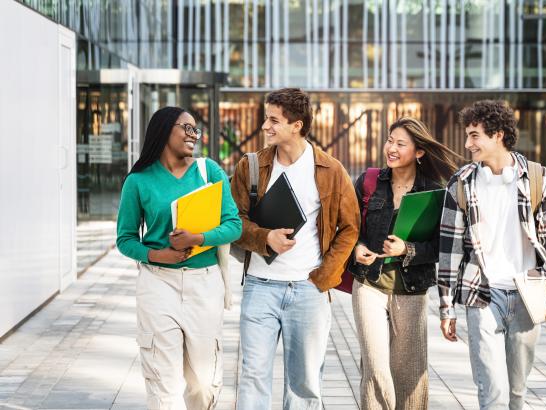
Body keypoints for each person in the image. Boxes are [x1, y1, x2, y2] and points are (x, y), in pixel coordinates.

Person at [438, 100, 546, 410]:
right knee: (492, 392)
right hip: (482, 295)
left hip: (528, 295)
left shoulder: (539, 179)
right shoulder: (461, 184)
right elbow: (450, 251)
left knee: (516, 392)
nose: (467, 143)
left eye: (474, 135)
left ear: (497, 135)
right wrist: (447, 307)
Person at [230, 88, 359, 410]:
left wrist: (324, 278)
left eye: (273, 120)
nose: (265, 126)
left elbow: (350, 228)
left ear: (297, 125)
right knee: (252, 375)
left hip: (307, 291)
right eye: (266, 119)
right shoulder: (251, 166)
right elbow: (233, 222)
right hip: (259, 287)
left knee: (305, 383)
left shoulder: (331, 170)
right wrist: (264, 238)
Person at [116, 106, 242, 410]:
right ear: (162, 130)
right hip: (158, 285)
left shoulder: (208, 171)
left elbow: (233, 225)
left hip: (204, 284)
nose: (192, 135)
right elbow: (125, 239)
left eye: (195, 129)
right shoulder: (138, 181)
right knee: (164, 381)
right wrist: (159, 254)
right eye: (185, 127)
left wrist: (197, 239)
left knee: (202, 382)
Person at [348, 117, 458, 410]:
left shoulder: (434, 192)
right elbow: (349, 228)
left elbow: (441, 247)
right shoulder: (370, 181)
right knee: (375, 367)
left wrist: (406, 249)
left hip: (411, 291)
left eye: (400, 143)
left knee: (408, 373)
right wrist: (357, 248)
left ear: (419, 152)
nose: (391, 148)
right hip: (369, 284)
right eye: (389, 140)